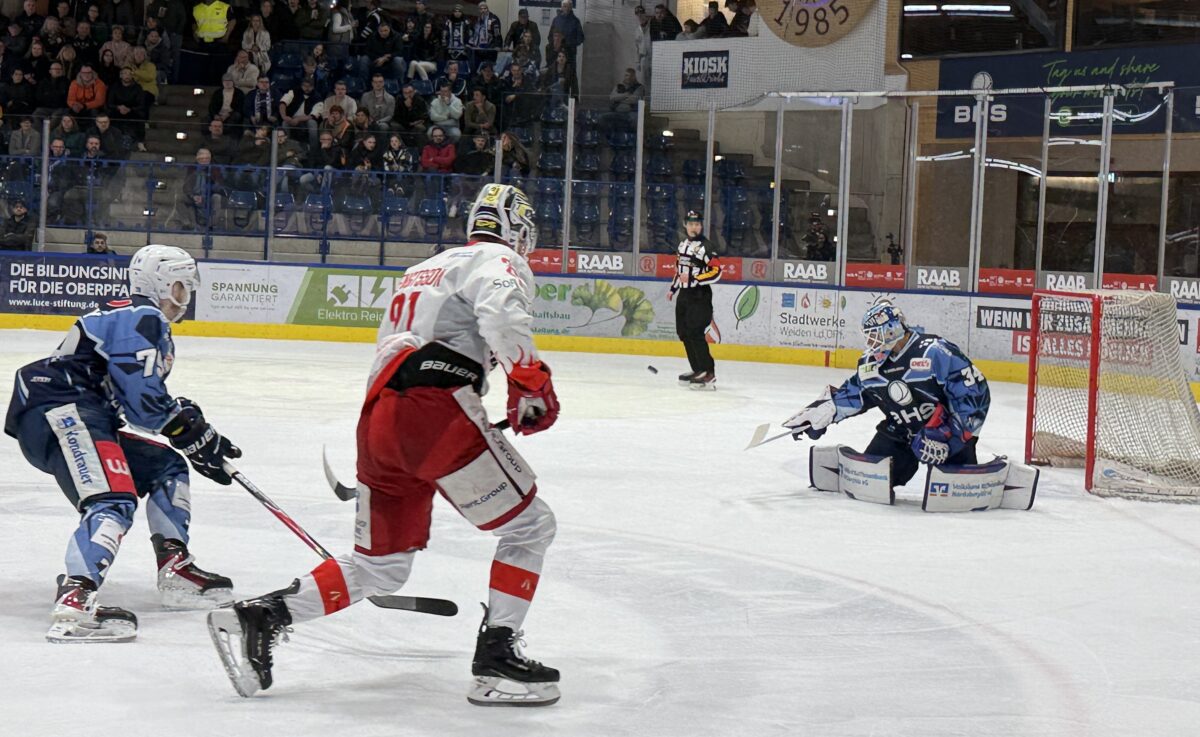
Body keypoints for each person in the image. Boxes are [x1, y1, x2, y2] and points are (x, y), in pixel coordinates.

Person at [208, 183, 561, 707]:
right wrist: (530, 380)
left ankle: (261, 615)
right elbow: (503, 316)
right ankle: (495, 663)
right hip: (432, 411)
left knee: (381, 567)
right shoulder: (498, 258)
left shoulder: (426, 268)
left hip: (379, 419)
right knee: (531, 527)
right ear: (519, 228)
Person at [5, 245, 241, 643]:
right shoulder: (143, 316)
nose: (186, 298)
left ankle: (175, 567)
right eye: (182, 287)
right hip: (65, 410)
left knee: (166, 466)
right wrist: (189, 429)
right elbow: (146, 402)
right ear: (163, 283)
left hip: (77, 415)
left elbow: (137, 403)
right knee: (112, 497)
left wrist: (192, 431)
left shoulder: (131, 315)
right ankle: (76, 602)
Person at [782, 299, 991, 489]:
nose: (871, 344)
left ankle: (963, 473)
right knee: (868, 481)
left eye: (875, 335)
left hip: (942, 432)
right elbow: (856, 394)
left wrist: (954, 435)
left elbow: (975, 393)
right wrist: (823, 413)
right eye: (869, 337)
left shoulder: (934, 352)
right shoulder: (870, 365)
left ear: (892, 330)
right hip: (900, 430)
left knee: (955, 487)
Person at [670, 210, 719, 389]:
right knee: (684, 332)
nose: (694, 227)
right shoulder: (682, 245)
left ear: (701, 226)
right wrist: (673, 288)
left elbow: (716, 271)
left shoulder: (707, 246)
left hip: (700, 295)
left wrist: (696, 279)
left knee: (696, 332)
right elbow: (679, 269)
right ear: (685, 225)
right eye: (691, 224)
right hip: (684, 296)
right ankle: (698, 369)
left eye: (697, 224)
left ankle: (709, 372)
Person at [600, 67, 641, 132]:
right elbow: (612, 97)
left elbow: (634, 100)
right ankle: (605, 140)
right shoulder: (618, 86)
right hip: (616, 111)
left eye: (630, 76)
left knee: (635, 119)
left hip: (630, 112)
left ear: (633, 77)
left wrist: (618, 98)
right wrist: (626, 95)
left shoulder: (638, 87)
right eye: (626, 75)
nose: (627, 77)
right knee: (601, 117)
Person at [468, 1, 500, 66]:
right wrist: (470, 44)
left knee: (488, 68)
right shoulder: (478, 20)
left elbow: (497, 34)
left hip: (490, 49)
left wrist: (497, 45)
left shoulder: (493, 19)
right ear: (479, 10)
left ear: (487, 9)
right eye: (481, 9)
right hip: (478, 49)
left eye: (485, 8)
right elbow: (474, 33)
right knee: (477, 68)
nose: (483, 10)